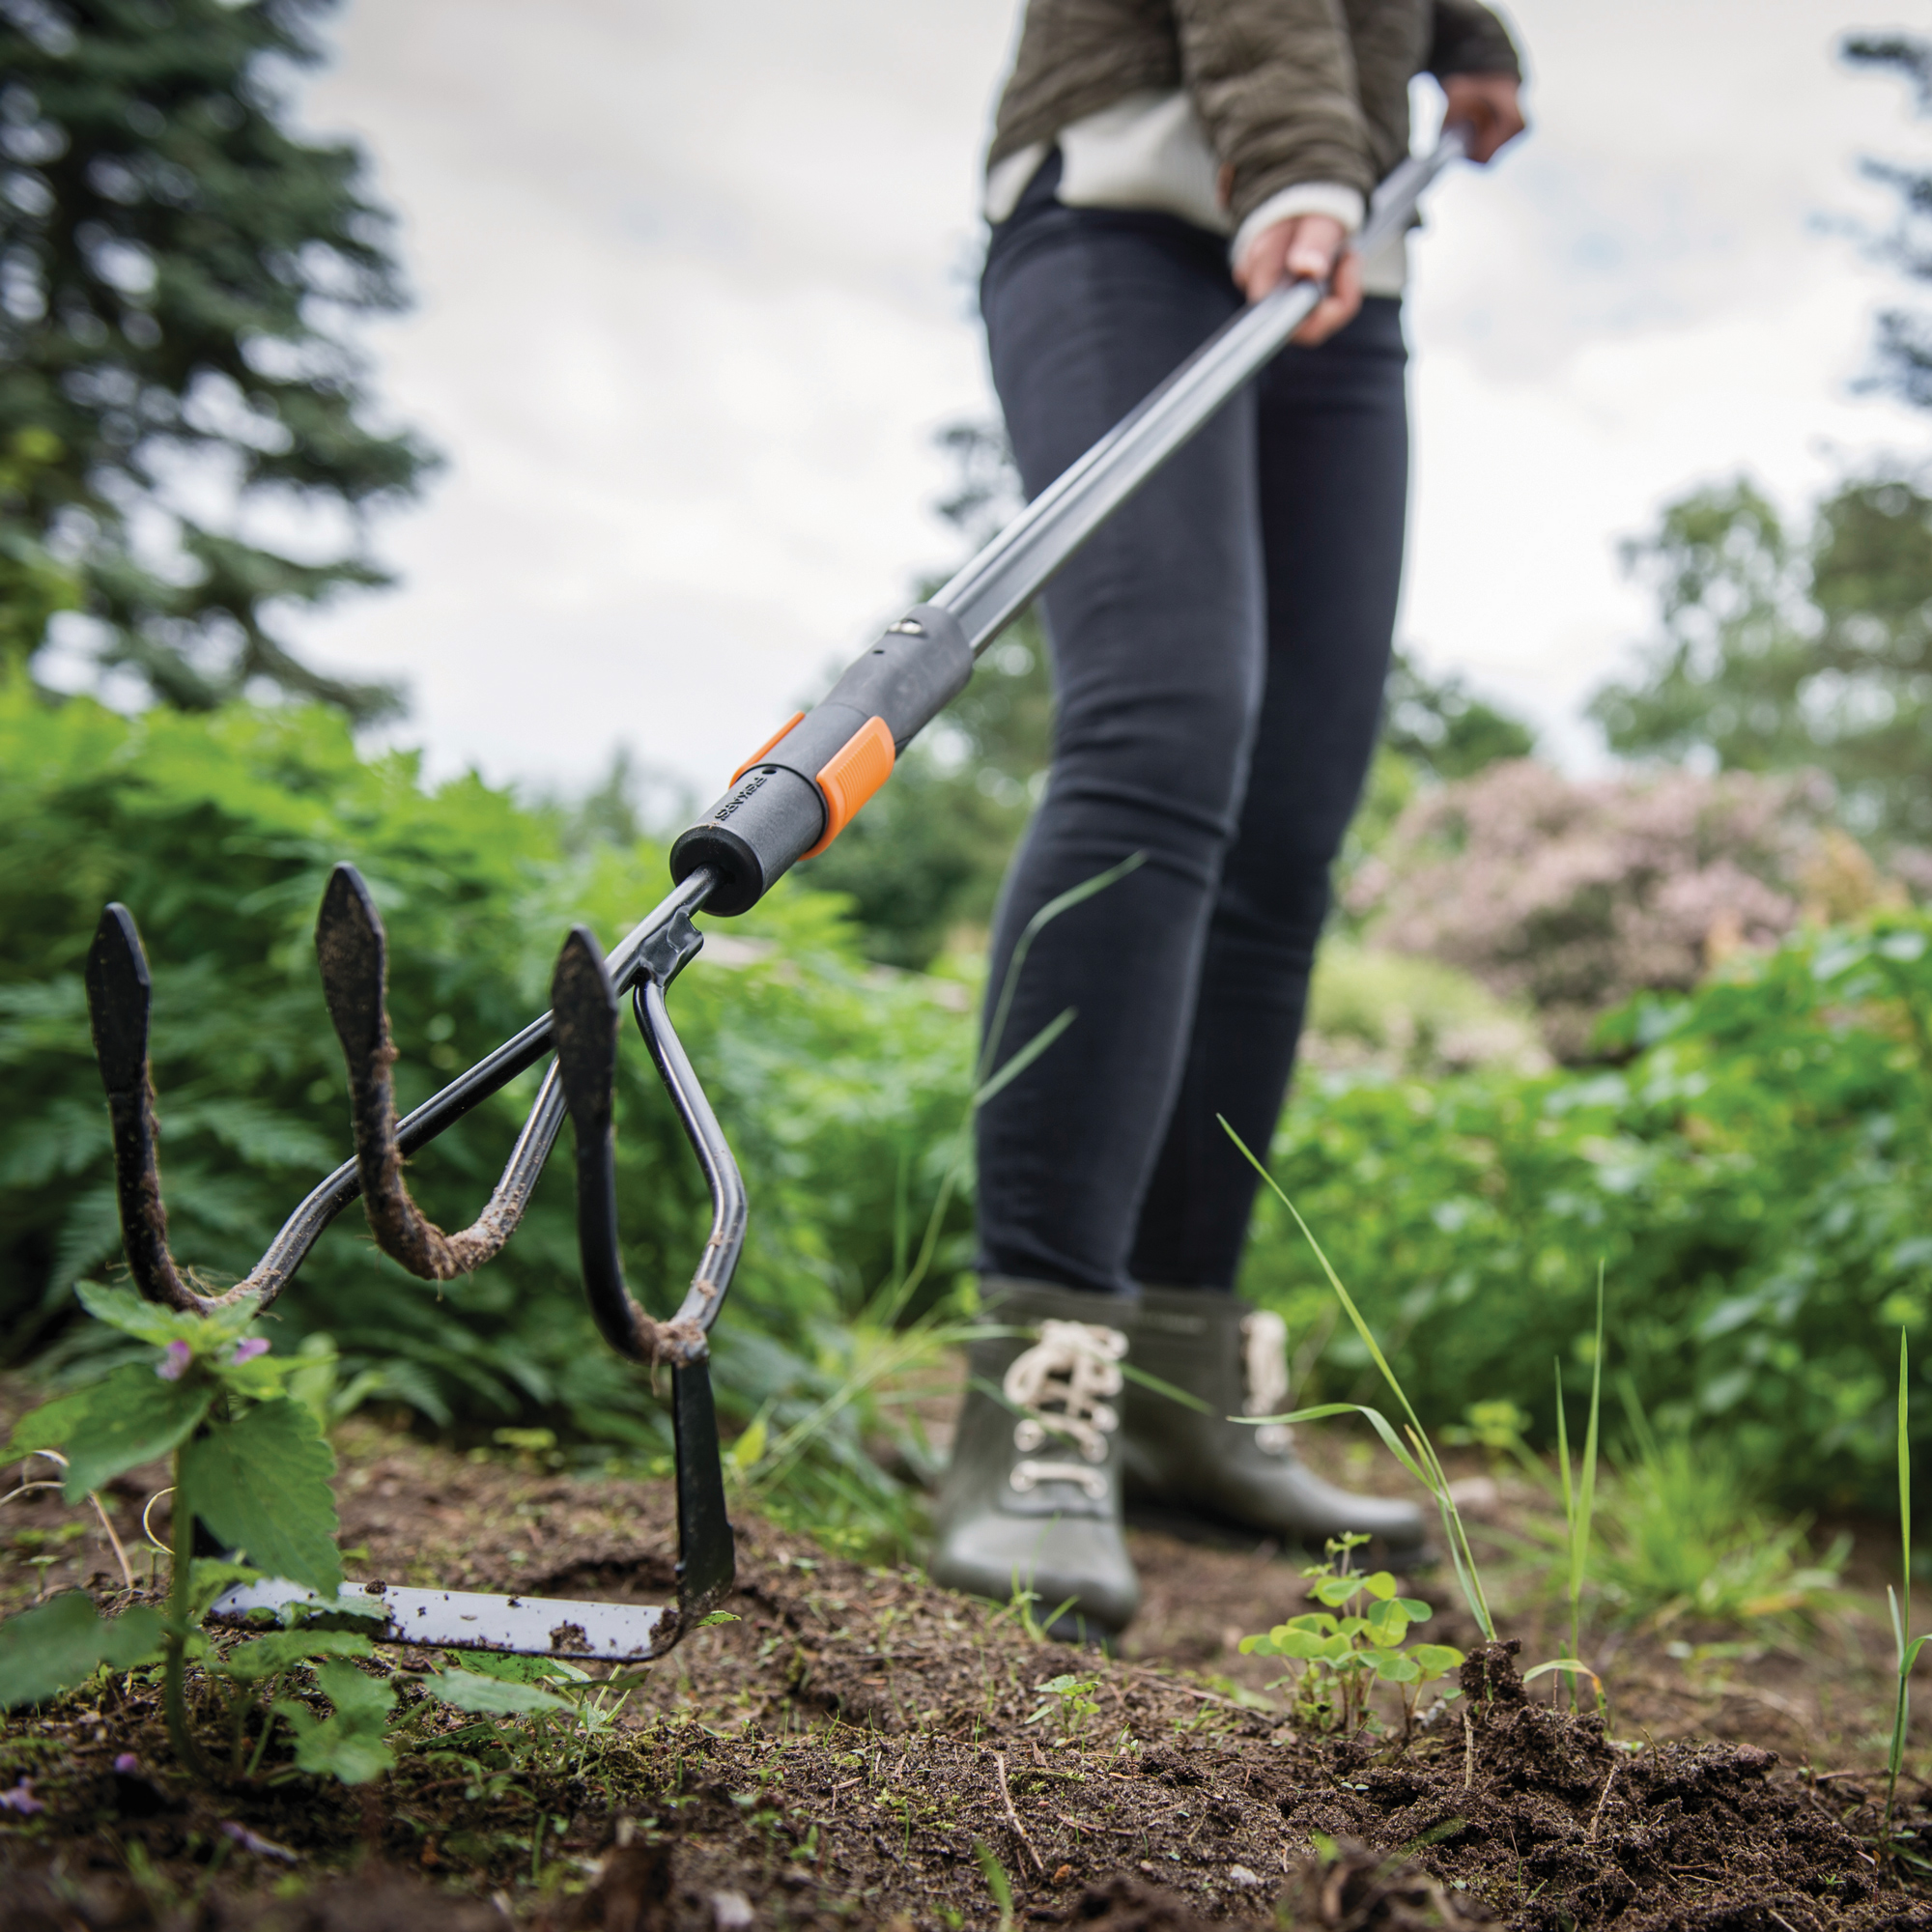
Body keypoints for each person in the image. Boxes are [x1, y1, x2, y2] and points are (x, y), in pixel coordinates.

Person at [930, 0, 1528, 1635]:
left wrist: (1467, 36)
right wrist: (1294, 150)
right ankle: (1037, 1386)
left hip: (1346, 250)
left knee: (1289, 821)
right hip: (1132, 207)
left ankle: (1183, 1382)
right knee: (1161, 734)